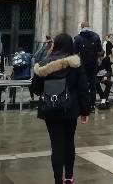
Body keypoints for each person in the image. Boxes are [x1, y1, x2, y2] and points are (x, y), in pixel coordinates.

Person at [31, 33, 92, 184]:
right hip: (70, 109)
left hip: (50, 109)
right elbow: (83, 88)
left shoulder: (44, 64)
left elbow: (35, 88)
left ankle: (58, 179)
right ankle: (69, 177)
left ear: (55, 44)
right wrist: (85, 111)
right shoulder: (75, 64)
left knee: (56, 145)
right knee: (69, 142)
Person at [73, 22, 103, 111]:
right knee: (93, 85)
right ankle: (92, 106)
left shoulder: (78, 38)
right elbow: (100, 51)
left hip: (82, 65)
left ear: (81, 27)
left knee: (83, 85)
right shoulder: (96, 36)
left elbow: (74, 53)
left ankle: (84, 105)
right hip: (93, 65)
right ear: (89, 27)